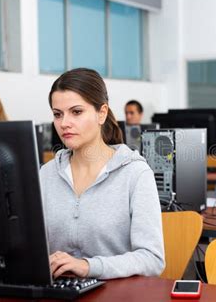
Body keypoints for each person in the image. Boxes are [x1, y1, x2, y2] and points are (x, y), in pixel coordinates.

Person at [39, 68, 165, 280]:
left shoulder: (135, 173)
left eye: (76, 112)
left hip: (116, 294)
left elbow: (152, 259)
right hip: (59, 292)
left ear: (102, 113)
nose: (64, 123)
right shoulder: (47, 174)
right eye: (57, 114)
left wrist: (89, 266)